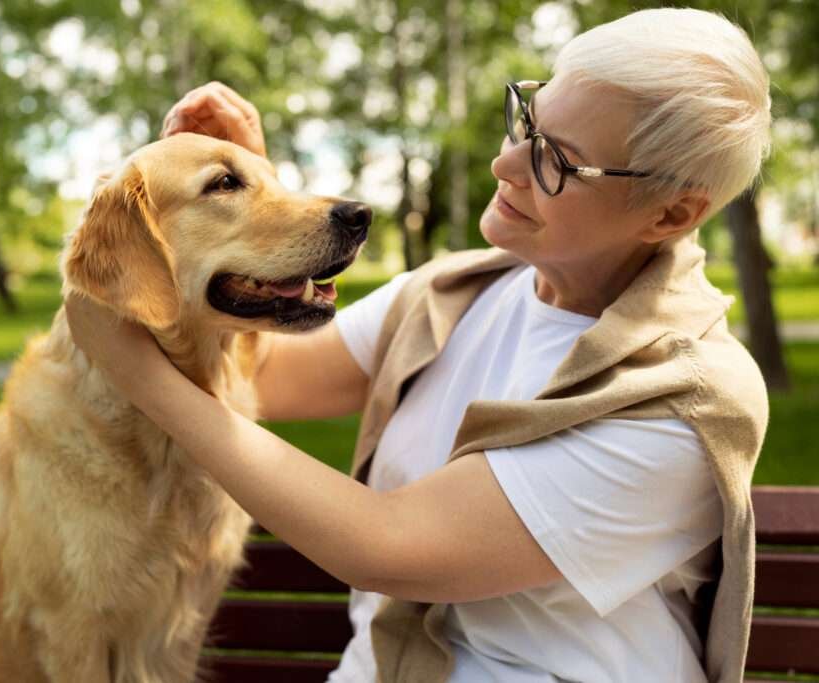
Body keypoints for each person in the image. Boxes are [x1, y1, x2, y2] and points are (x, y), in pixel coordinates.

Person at [65, 8, 771, 682]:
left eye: (558, 160)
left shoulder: (686, 400)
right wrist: (251, 203)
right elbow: (268, 373)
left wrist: (138, 374)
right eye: (528, 118)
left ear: (671, 212)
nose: (509, 164)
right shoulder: (454, 295)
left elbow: (387, 546)